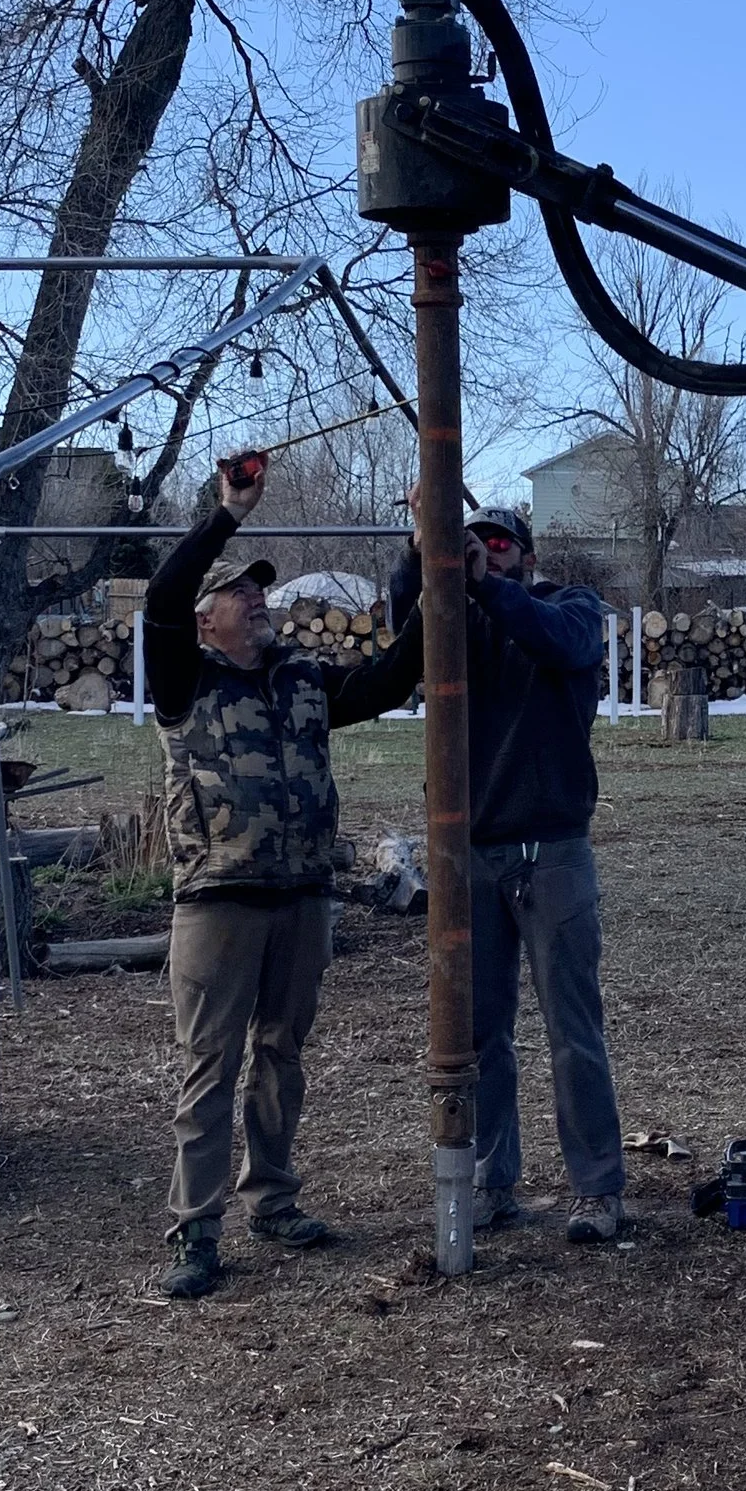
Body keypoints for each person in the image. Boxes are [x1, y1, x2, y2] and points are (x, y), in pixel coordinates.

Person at [145, 450, 427, 1299]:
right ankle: (195, 1233)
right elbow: (159, 600)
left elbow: (391, 677)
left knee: (283, 1053)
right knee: (211, 1066)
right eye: (240, 591)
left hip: (302, 899)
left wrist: (426, 555)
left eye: (260, 590)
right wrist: (226, 515)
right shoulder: (183, 680)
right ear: (206, 619)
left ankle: (271, 1196)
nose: (258, 599)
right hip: (217, 903)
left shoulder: (302, 681)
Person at [391, 497, 627, 1242]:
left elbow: (562, 641)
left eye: (499, 543)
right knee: (480, 1032)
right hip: (474, 856)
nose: (487, 551)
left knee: (572, 1028)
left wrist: (487, 584)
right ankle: (493, 1182)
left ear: (524, 554)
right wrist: (418, 546)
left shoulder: (569, 606)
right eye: (476, 543)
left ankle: (597, 1190)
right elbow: (405, 624)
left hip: (552, 850)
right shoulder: (458, 625)